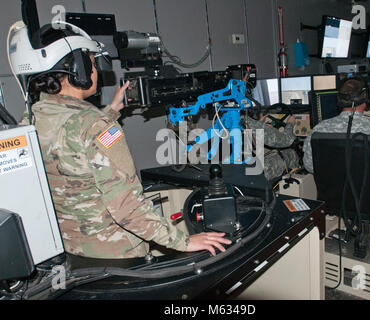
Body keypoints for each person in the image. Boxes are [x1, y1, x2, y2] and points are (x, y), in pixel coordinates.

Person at [17, 24, 231, 259]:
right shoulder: (96, 125)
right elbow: (126, 206)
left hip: (70, 250)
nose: (96, 70)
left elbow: (70, 147)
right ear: (78, 67)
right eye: (92, 62)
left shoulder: (31, 117)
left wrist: (110, 111)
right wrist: (182, 241)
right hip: (115, 252)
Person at [245, 114, 300, 181]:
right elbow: (286, 140)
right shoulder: (244, 120)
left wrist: (259, 124)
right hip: (257, 171)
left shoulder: (233, 119)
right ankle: (292, 185)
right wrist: (290, 124)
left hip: (239, 167)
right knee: (291, 153)